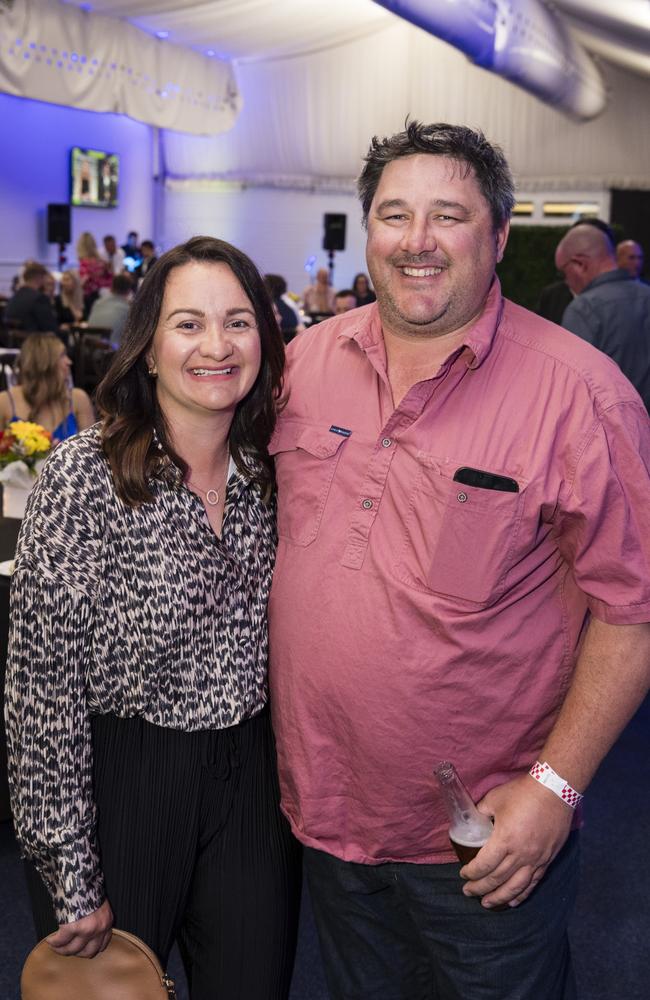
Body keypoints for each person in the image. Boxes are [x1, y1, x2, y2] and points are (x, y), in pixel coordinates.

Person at [268, 121, 650, 1000]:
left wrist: (556, 788)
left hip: (482, 836)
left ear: (500, 236)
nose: (418, 242)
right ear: (368, 231)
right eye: (394, 215)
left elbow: (631, 611)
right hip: (323, 811)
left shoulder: (581, 395)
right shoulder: (305, 362)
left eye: (449, 216)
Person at [5, 236, 301, 1000]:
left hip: (252, 783)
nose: (216, 345)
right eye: (188, 324)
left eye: (238, 322)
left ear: (264, 344)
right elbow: (42, 693)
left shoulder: (271, 473)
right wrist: (69, 866)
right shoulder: (83, 478)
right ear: (147, 347)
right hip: (123, 781)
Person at [555, 224, 650, 412]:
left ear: (580, 264)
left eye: (563, 272)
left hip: (612, 433)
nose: (566, 281)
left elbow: (571, 389)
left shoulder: (584, 309)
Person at [0, 332, 94, 442]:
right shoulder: (4, 401)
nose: (69, 362)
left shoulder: (78, 399)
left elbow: (92, 452)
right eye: (62, 355)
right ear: (44, 363)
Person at [4, 262, 59, 334]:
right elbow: (50, 328)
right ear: (38, 277)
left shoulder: (15, 297)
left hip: (12, 342)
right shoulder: (39, 298)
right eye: (43, 278)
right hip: (35, 341)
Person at [87, 273, 133, 347]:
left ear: (111, 287)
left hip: (86, 350)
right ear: (128, 291)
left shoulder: (97, 303)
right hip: (111, 353)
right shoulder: (127, 309)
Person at [76, 232, 112, 318]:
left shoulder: (84, 264)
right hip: (104, 296)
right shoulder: (102, 262)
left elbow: (83, 282)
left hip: (89, 298)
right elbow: (110, 277)